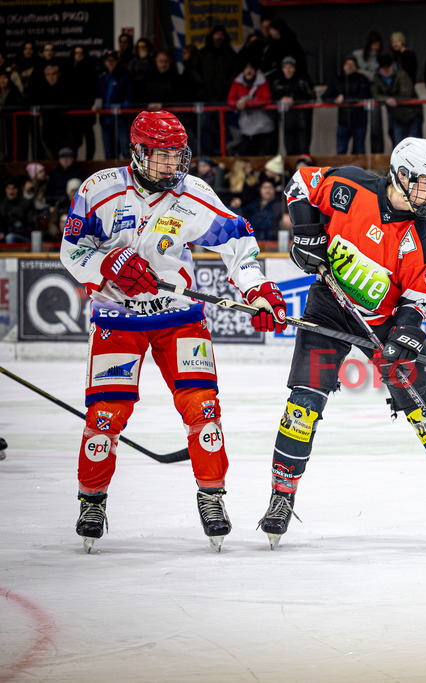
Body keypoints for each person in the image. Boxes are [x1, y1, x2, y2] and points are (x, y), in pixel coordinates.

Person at [257, 137, 426, 549]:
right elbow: (299, 184)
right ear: (401, 175)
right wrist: (306, 233)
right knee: (304, 403)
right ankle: (281, 497)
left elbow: (418, 301)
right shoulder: (349, 186)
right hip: (328, 309)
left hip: (385, 323)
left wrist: (404, 338)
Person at [59, 110, 288, 552]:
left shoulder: (194, 195)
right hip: (116, 317)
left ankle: (212, 495)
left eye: (176, 155)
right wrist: (107, 263)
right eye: (161, 156)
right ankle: (92, 500)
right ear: (138, 152)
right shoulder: (98, 190)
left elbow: (237, 244)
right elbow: (73, 252)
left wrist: (258, 289)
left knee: (203, 408)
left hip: (178, 314)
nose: (171, 165)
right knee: (105, 414)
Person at [226, 61, 276, 155]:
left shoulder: (262, 81)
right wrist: (236, 104)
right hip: (246, 127)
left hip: (263, 126)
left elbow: (266, 99)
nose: (248, 71)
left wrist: (247, 103)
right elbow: (230, 100)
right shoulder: (237, 82)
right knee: (248, 153)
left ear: (255, 70)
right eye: (246, 68)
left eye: (251, 68)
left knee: (264, 153)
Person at [323, 56, 371, 154]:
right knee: (341, 150)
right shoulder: (338, 80)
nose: (350, 67)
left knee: (359, 150)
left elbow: (364, 95)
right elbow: (325, 97)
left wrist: (345, 99)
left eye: (352, 64)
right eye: (347, 64)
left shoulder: (362, 79)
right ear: (343, 66)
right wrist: (335, 99)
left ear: (356, 67)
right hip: (343, 121)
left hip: (359, 121)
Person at [371, 54, 419, 147]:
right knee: (399, 145)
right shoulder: (377, 77)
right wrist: (387, 99)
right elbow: (375, 93)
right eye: (383, 68)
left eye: (387, 68)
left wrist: (393, 99)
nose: (386, 71)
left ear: (392, 65)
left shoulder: (402, 75)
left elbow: (406, 94)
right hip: (396, 116)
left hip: (412, 113)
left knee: (415, 144)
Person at [93, 50, 134, 159]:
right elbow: (98, 95)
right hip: (106, 118)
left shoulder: (125, 76)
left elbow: (129, 96)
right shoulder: (102, 77)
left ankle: (129, 173)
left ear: (117, 61)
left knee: (125, 147)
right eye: (107, 60)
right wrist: (96, 105)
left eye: (113, 60)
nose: (110, 63)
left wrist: (124, 109)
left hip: (121, 119)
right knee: (109, 150)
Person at [270, 55, 314, 155]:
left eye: (290, 67)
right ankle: (292, 171)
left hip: (302, 121)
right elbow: (271, 98)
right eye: (286, 67)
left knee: (303, 149)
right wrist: (280, 99)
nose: (288, 70)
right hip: (286, 121)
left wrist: (294, 100)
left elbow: (311, 97)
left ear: (294, 68)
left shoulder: (302, 81)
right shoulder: (277, 83)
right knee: (289, 150)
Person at [352, 30, 384, 153]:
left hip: (374, 96)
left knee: (375, 129)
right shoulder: (358, 55)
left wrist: (361, 72)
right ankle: (358, 155)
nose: (376, 48)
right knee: (358, 128)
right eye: (374, 44)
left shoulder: (379, 58)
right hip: (359, 96)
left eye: (378, 45)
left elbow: (375, 76)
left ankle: (377, 154)